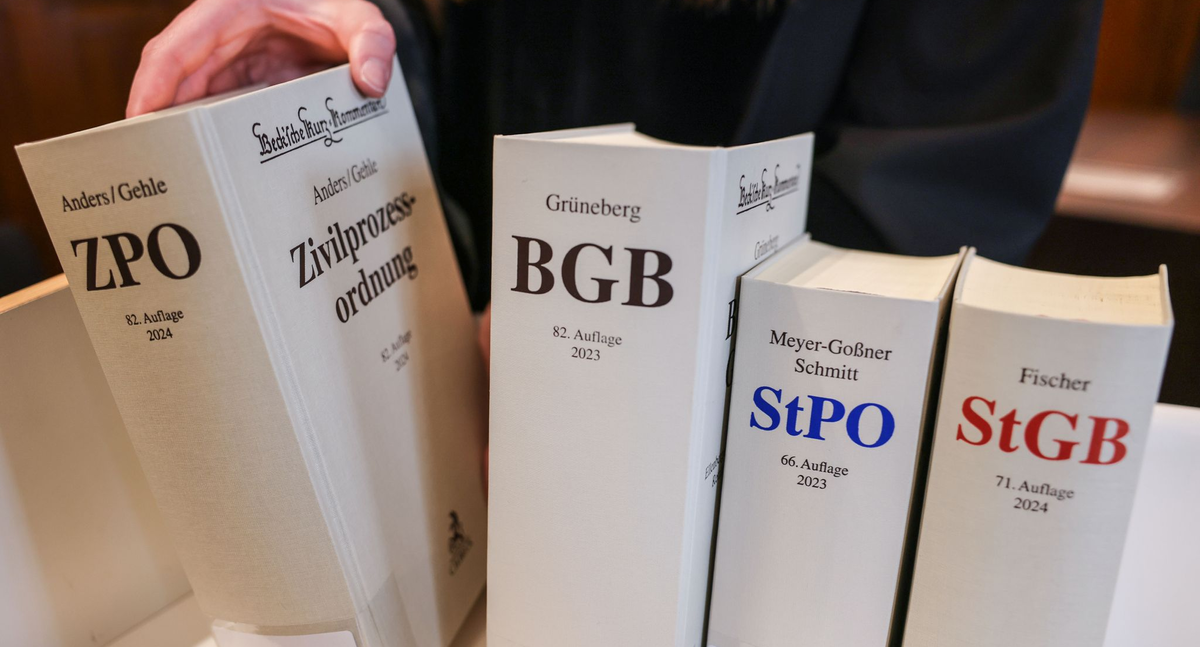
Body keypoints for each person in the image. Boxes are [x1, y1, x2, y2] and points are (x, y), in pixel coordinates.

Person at [128, 0, 1104, 343]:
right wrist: (345, 71)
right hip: (478, 375)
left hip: (782, 419)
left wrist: (611, 331)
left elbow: (943, 168)